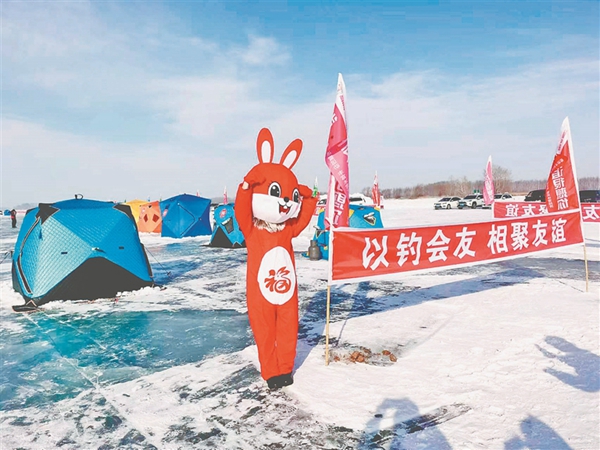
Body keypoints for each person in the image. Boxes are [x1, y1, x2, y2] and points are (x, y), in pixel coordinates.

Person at [235, 128, 318, 390]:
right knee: (264, 331)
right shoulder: (252, 230)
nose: (284, 202)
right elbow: (241, 210)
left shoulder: (287, 229)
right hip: (260, 292)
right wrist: (246, 186)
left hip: (286, 290)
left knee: (288, 329)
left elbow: (302, 218)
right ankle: (271, 371)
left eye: (289, 197)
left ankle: (285, 368)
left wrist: (309, 199)